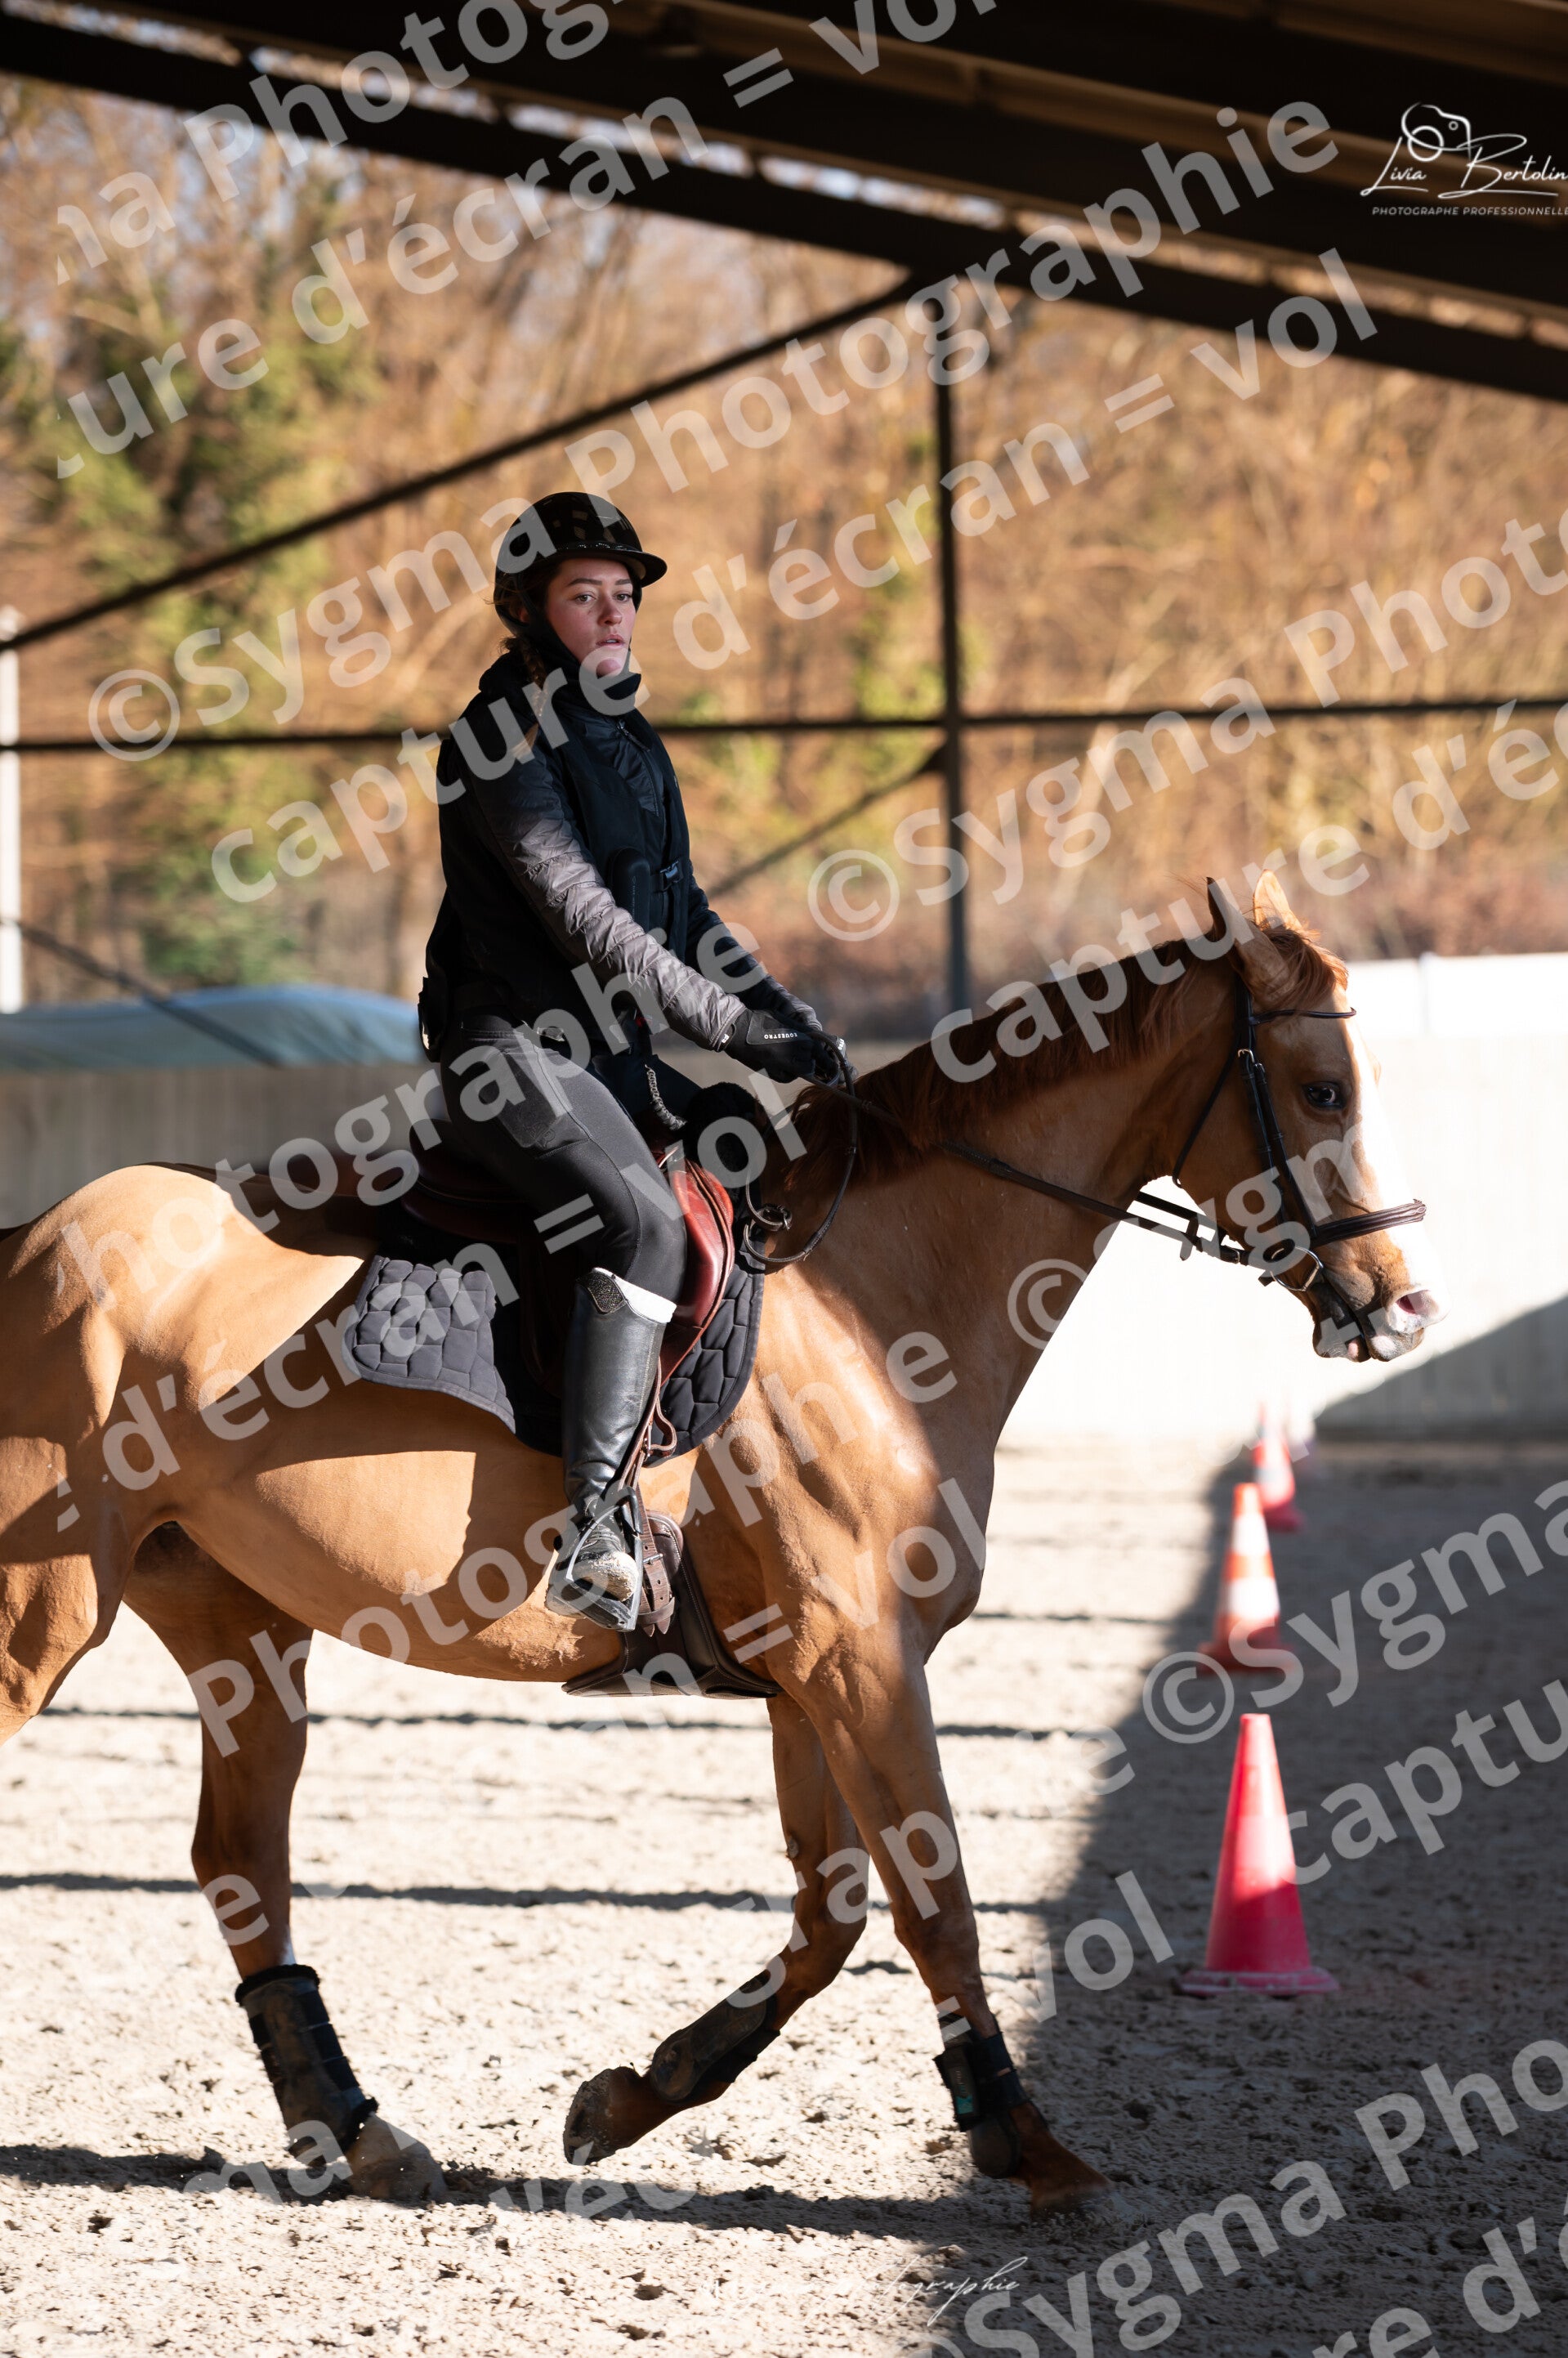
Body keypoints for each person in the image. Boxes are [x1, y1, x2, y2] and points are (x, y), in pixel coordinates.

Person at [418, 493, 839, 1633]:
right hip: (510, 1056)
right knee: (644, 1226)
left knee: (758, 1153)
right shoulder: (496, 738)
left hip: (611, 1059)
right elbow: (593, 925)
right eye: (583, 595)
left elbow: (686, 916)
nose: (612, 614)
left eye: (623, 596)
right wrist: (735, 1030)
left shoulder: (632, 741)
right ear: (527, 611)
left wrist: (791, 1023)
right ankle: (594, 1530)